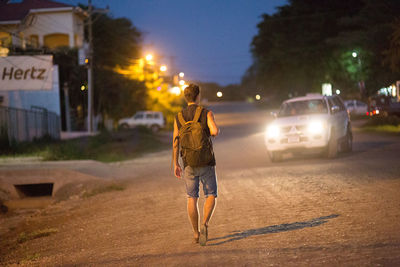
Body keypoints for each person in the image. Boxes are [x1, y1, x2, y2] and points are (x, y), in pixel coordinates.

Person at [173, 83, 219, 246]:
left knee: (191, 197)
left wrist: (175, 164)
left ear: (186, 98)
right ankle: (205, 223)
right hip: (206, 161)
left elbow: (175, 141)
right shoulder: (206, 113)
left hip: (188, 162)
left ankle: (195, 233)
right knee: (211, 194)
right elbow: (214, 132)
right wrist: (211, 124)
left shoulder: (178, 117)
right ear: (198, 96)